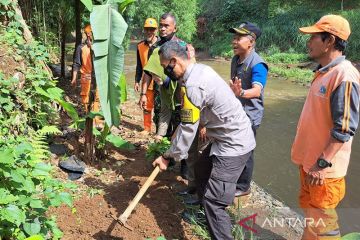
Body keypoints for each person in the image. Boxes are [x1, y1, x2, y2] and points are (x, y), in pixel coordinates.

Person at [152, 41, 256, 240]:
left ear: (174, 61)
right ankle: (201, 213)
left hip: (233, 144)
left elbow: (189, 129)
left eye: (166, 67)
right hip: (223, 137)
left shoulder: (193, 85)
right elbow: (189, 121)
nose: (166, 73)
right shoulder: (198, 71)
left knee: (215, 203)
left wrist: (167, 157)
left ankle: (217, 225)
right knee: (201, 169)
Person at [291, 15, 359, 239]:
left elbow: (345, 129)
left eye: (313, 38)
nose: (308, 43)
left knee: (324, 225)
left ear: (329, 41)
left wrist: (321, 164)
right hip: (310, 165)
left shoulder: (344, 75)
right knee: (312, 216)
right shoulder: (324, 71)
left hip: (323, 171)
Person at [140, 13, 199, 197]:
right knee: (163, 129)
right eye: (162, 25)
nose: (163, 28)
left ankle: (185, 175)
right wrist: (143, 93)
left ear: (175, 28)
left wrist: (168, 82)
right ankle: (166, 160)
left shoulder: (184, 48)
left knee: (183, 132)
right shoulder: (156, 48)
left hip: (182, 98)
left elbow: (191, 74)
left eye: (167, 25)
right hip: (164, 98)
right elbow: (147, 72)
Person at [228, 22, 268, 197]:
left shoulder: (258, 64)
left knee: (247, 150)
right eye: (234, 38)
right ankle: (234, 179)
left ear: (251, 41)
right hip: (237, 112)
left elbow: (257, 90)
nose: (234, 42)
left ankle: (244, 186)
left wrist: (241, 92)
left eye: (239, 38)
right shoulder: (236, 59)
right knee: (235, 146)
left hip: (250, 115)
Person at [71, 25, 100, 122]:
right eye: (93, 33)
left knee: (97, 98)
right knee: (85, 98)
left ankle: (96, 119)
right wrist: (74, 78)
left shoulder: (99, 48)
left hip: (98, 77)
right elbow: (76, 64)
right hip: (86, 77)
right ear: (88, 34)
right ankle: (88, 118)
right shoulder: (81, 48)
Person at [134, 18, 159, 134]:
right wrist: (136, 80)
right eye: (147, 29)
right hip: (146, 82)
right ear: (144, 30)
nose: (149, 32)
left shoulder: (162, 45)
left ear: (156, 30)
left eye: (152, 29)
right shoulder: (140, 46)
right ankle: (147, 128)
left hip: (160, 82)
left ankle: (160, 131)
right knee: (146, 107)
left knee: (160, 108)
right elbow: (139, 65)